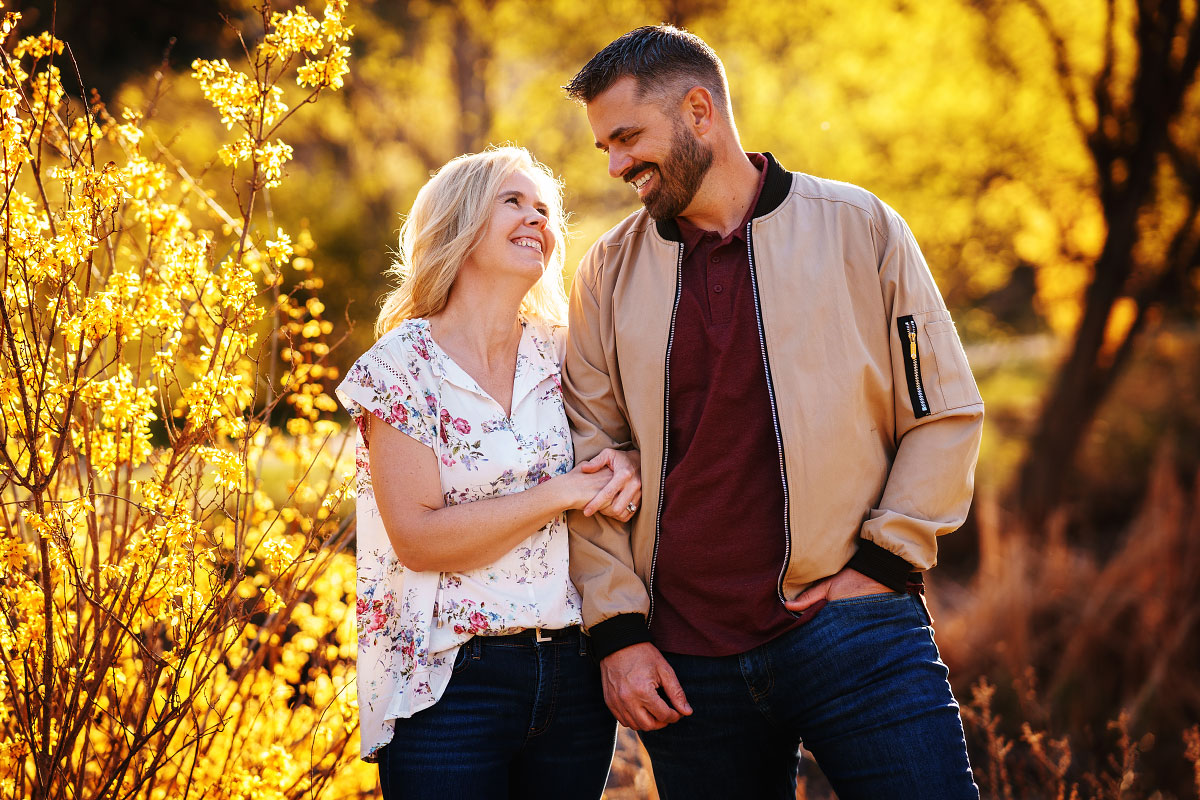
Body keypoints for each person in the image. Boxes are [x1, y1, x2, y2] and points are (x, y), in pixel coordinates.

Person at [561, 26, 984, 800]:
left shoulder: (861, 228)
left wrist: (886, 562)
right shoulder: (606, 273)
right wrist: (618, 634)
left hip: (853, 627)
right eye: (606, 149)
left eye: (627, 137)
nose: (617, 165)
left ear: (699, 111)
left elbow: (945, 410)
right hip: (687, 665)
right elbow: (587, 458)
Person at [336, 146, 639, 799]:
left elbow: (624, 453)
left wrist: (629, 465)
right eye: (515, 201)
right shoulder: (401, 367)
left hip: (575, 677)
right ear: (461, 223)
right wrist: (560, 494)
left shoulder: (567, 354)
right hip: (448, 683)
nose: (537, 218)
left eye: (545, 209)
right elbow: (420, 539)